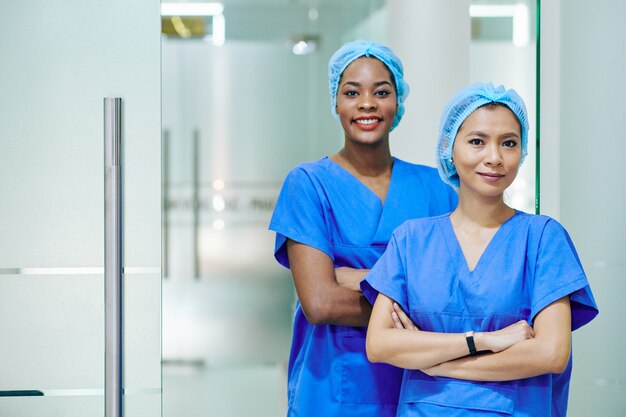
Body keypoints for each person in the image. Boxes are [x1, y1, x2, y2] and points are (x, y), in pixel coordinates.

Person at [362, 82, 599, 416]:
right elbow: (380, 344)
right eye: (477, 142)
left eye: (509, 143)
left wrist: (438, 364)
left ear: (523, 151)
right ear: (449, 148)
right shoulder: (412, 240)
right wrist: (484, 341)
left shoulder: (543, 238)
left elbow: (551, 353)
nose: (495, 158)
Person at [269, 40, 458, 417]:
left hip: (424, 386)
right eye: (351, 92)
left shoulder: (438, 189)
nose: (367, 103)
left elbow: (457, 300)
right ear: (336, 103)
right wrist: (414, 291)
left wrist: (354, 278)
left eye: (381, 92)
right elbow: (321, 303)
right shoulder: (308, 184)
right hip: (334, 393)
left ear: (398, 103)